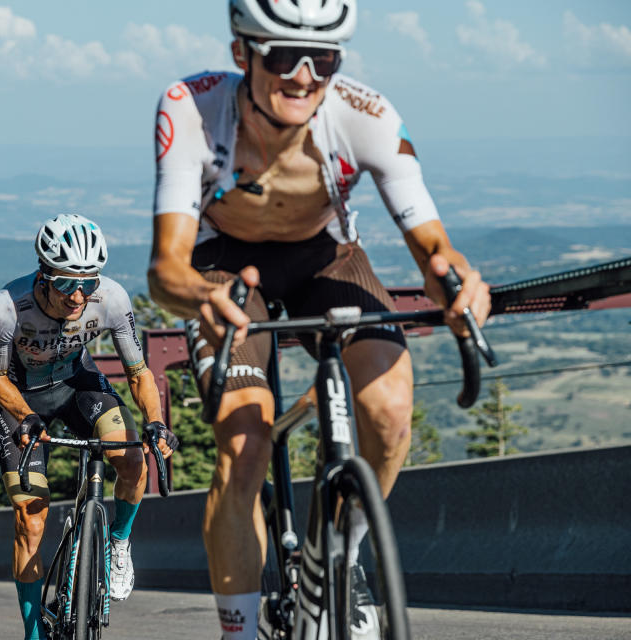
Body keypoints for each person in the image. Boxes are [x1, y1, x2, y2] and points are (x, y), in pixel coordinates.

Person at [147, 1, 492, 638]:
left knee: (387, 411)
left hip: (322, 253)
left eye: (324, 59)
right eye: (283, 56)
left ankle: (337, 559)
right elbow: (165, 268)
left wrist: (456, 280)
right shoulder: (191, 108)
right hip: (224, 262)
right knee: (245, 446)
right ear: (240, 54)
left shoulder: (367, 116)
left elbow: (433, 249)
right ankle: (240, 629)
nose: (304, 76)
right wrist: (203, 299)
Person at [0, 214, 179, 640]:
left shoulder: (112, 298)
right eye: (66, 283)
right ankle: (34, 632)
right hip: (22, 399)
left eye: (88, 283)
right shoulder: (7, 307)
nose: (78, 295)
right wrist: (25, 416)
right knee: (31, 518)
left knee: (131, 458)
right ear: (43, 275)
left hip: (77, 385)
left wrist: (156, 422)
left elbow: (139, 372)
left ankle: (119, 543)